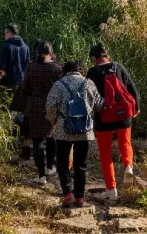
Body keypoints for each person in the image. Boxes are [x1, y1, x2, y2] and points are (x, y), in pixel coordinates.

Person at [86, 43, 140, 202]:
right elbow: (131, 87)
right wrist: (136, 107)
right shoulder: (118, 67)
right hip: (123, 113)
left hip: (104, 116)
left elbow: (88, 95)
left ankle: (111, 190)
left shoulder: (93, 72)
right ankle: (128, 166)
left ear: (94, 58)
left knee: (105, 152)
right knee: (125, 143)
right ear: (106, 55)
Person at [46, 60, 102, 207]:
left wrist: (54, 123)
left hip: (64, 129)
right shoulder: (89, 83)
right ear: (81, 70)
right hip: (84, 131)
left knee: (62, 162)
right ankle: (80, 198)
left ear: (65, 70)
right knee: (81, 164)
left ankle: (68, 193)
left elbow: (50, 107)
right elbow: (98, 105)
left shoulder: (58, 85)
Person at [22, 40, 63, 185]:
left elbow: (26, 87)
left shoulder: (31, 67)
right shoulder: (58, 69)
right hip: (52, 106)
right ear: (50, 53)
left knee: (37, 140)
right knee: (51, 138)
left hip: (35, 106)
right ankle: (50, 167)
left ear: (36, 52)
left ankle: (41, 176)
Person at [0, 24, 31, 160]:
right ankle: (24, 145)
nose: (4, 36)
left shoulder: (6, 47)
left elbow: (1, 68)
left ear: (10, 33)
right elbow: (28, 66)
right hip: (23, 85)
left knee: (8, 114)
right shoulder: (26, 47)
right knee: (22, 114)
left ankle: (10, 143)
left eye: (5, 33)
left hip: (9, 84)